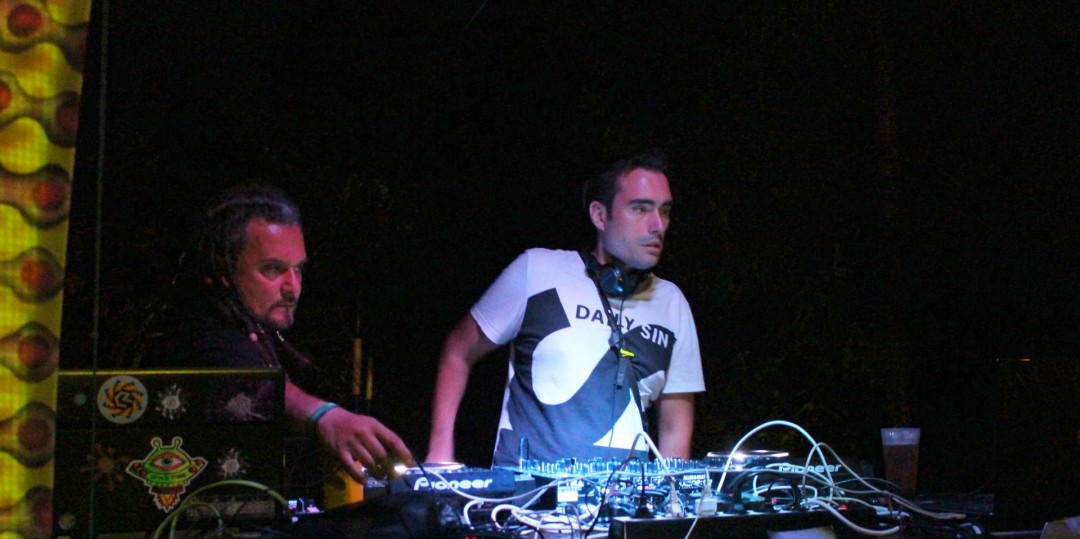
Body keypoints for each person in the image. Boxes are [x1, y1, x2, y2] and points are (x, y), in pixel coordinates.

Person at [427, 149, 705, 466]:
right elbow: (458, 351)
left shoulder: (672, 303)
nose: (658, 225)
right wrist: (439, 453)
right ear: (599, 215)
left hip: (624, 497)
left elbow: (674, 428)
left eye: (664, 211)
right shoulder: (536, 270)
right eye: (640, 209)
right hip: (526, 493)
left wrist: (672, 493)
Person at [141, 184, 413, 480]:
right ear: (224, 269)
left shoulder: (255, 324)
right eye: (273, 269)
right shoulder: (197, 334)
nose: (292, 287)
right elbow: (250, 383)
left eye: (298, 269)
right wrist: (323, 416)